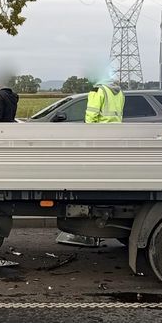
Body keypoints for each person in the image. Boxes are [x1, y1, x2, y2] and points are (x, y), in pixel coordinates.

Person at [58, 79, 126, 247]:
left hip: (99, 137)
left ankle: (88, 234)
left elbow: (92, 115)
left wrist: (87, 133)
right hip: (114, 136)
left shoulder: (99, 91)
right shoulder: (119, 92)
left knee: (92, 181)